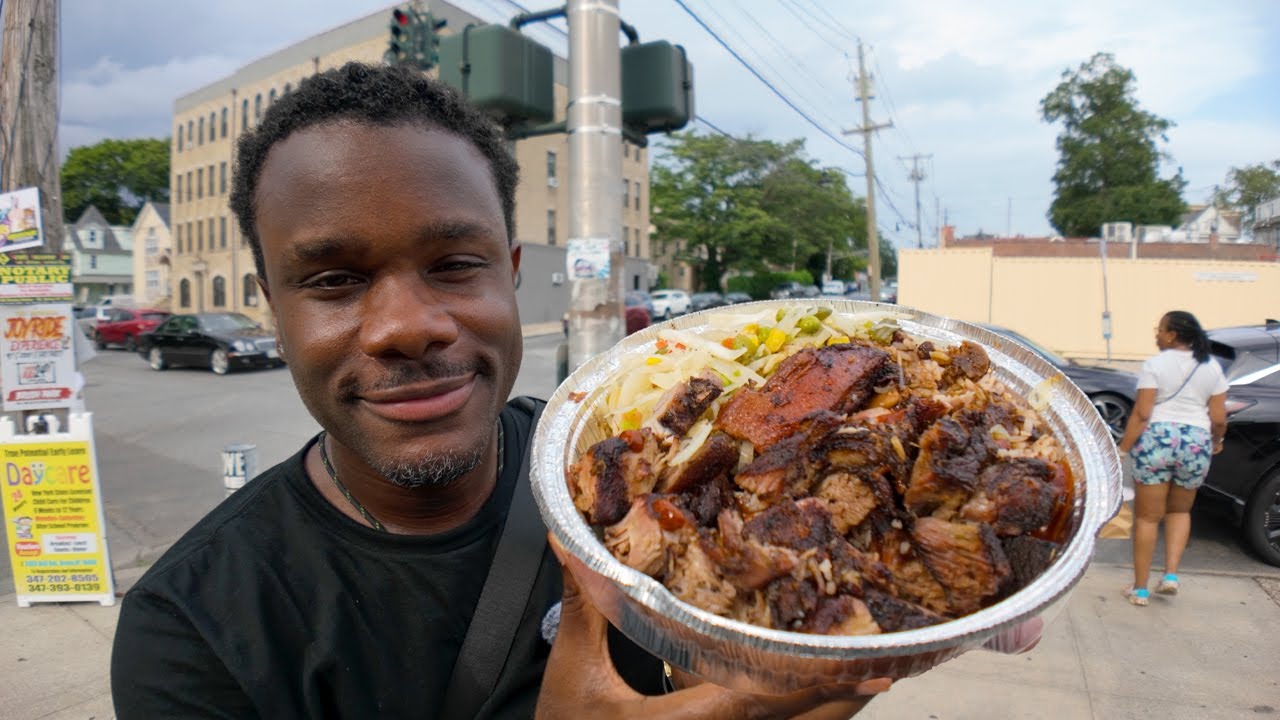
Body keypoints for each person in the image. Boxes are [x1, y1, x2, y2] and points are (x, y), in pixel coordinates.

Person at [109, 62, 893, 719]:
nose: (407, 326)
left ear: (512, 272)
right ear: (273, 307)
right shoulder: (193, 633)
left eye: (455, 264)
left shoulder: (628, 478)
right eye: (335, 280)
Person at [1116, 310, 1228, 606]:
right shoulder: (1211, 367)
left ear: (1173, 334)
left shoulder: (1155, 365)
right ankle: (1170, 576)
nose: (1156, 333)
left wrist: (1123, 448)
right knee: (1180, 512)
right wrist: (1216, 441)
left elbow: (1142, 414)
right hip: (1195, 443)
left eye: (1160, 329)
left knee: (1147, 518)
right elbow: (1218, 417)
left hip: (1157, 440)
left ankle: (1140, 590)